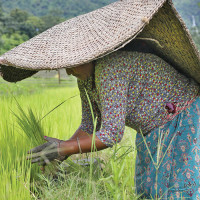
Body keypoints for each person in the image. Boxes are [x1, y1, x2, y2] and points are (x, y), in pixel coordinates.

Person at [0, 0, 200, 199]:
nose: (69, 72)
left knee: (175, 187)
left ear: (90, 56)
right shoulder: (86, 78)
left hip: (181, 117)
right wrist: (63, 152)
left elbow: (112, 134)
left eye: (73, 64)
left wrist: (63, 147)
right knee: (149, 186)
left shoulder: (110, 70)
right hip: (151, 128)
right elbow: (89, 125)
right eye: (65, 66)